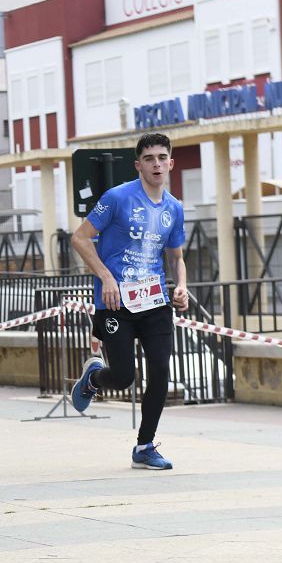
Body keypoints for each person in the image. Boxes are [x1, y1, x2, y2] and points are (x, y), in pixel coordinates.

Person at [69, 132, 188, 470]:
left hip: (154, 301)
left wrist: (181, 285)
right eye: (149, 159)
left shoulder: (174, 208)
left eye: (162, 158)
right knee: (123, 377)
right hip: (116, 302)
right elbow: (80, 238)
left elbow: (176, 256)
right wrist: (107, 277)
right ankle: (93, 378)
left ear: (171, 163)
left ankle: (145, 445)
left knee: (161, 373)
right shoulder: (118, 198)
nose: (156, 164)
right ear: (138, 165)